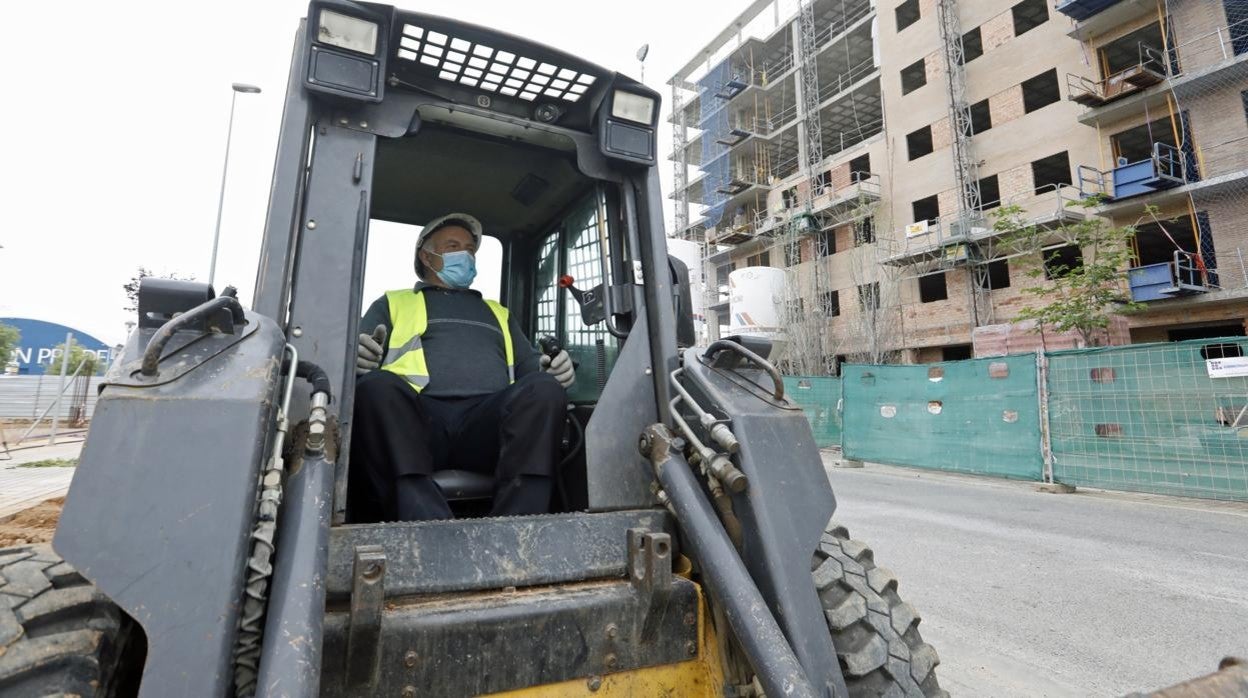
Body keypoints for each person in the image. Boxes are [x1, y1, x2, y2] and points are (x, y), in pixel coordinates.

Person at [348, 213, 575, 522]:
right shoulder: (391, 303)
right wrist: (359, 358)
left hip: (488, 426)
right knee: (375, 387)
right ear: (427, 256)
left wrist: (553, 369)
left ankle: (517, 528)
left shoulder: (498, 313)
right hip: (418, 425)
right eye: (453, 245)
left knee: (545, 390)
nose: (465, 255)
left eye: (470, 249)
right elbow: (362, 350)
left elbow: (531, 366)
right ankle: (428, 525)